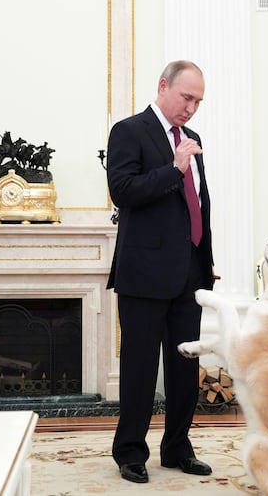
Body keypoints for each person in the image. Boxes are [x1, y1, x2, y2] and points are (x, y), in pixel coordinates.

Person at [106, 60, 216, 483]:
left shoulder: (194, 138)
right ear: (163, 86)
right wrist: (173, 169)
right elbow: (123, 191)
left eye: (198, 101)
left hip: (190, 272)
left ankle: (177, 447)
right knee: (139, 368)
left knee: (185, 367)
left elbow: (200, 205)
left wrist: (206, 260)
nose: (191, 108)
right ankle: (130, 451)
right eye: (186, 97)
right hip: (144, 272)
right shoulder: (129, 131)